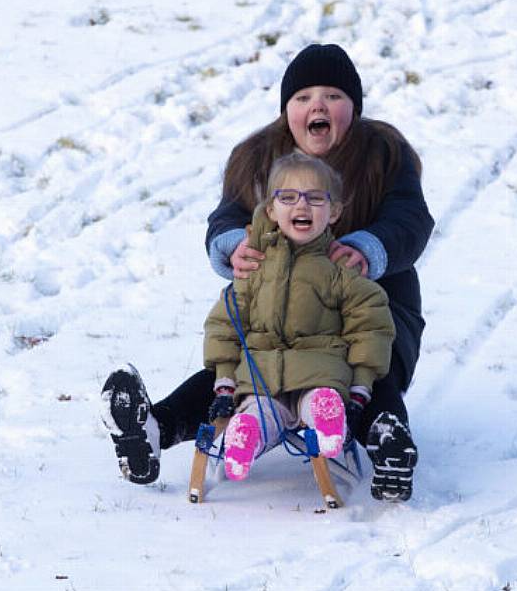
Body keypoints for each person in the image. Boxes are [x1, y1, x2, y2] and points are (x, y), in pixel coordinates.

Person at [103, 42, 434, 501]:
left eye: (333, 96)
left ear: (353, 108)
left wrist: (368, 247)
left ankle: (388, 439)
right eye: (303, 98)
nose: (317, 105)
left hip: (374, 300)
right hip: (284, 315)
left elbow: (411, 219)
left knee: (368, 356)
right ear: (286, 111)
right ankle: (152, 431)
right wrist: (233, 243)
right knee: (242, 367)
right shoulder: (257, 158)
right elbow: (226, 216)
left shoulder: (383, 154)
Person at [202, 152, 396, 482]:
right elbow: (226, 322)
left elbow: (371, 327)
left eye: (315, 198)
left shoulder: (340, 271)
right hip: (261, 378)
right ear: (271, 211)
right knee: (260, 411)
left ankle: (327, 420)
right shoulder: (254, 268)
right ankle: (244, 437)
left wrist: (361, 388)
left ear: (334, 211)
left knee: (319, 399)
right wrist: (224, 382)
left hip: (321, 372)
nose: (301, 206)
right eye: (288, 197)